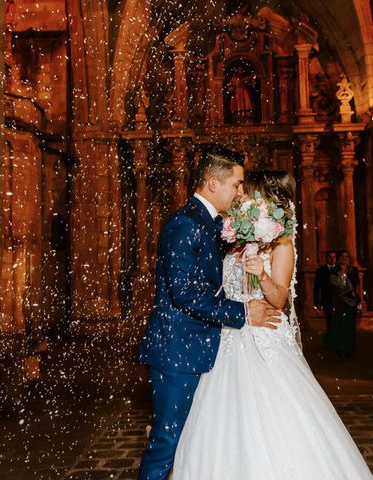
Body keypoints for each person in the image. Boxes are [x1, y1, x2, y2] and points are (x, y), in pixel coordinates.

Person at [172, 171, 373, 479]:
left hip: (265, 338)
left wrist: (261, 275)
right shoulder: (237, 241)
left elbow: (279, 298)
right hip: (230, 338)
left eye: (248, 193)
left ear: (265, 202)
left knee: (273, 417)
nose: (241, 197)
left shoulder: (282, 245)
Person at [137, 148, 281, 480]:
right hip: (177, 351)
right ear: (213, 183)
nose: (241, 192)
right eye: (237, 184)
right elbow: (185, 293)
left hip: (195, 350)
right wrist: (244, 313)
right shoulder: (185, 223)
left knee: (187, 442)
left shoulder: (209, 222)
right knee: (166, 444)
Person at [327, 249, 361, 357]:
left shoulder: (353, 270)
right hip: (340, 302)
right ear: (338, 259)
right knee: (340, 325)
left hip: (351, 302)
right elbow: (334, 285)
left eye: (346, 257)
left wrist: (358, 300)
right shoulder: (335, 271)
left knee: (350, 326)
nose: (344, 259)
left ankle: (349, 348)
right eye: (342, 256)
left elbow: (356, 285)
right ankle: (340, 348)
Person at [315, 250, 337, 349]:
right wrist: (317, 301)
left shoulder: (339, 269)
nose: (332, 259)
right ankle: (330, 341)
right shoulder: (321, 270)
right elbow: (316, 287)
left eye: (334, 257)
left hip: (338, 300)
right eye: (330, 257)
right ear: (326, 258)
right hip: (327, 300)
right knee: (330, 321)